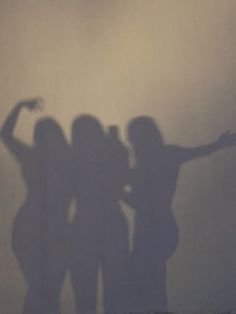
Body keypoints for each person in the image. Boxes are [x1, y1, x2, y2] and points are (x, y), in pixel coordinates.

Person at [123, 116, 236, 312]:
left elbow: (141, 202)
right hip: (163, 228)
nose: (132, 143)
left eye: (133, 138)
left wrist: (118, 191)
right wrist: (220, 144)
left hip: (152, 230)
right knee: (153, 279)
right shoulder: (167, 155)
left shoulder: (147, 165)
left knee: (146, 281)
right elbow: (198, 152)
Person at [1, 99, 72, 314]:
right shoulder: (34, 157)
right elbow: (4, 135)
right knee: (42, 291)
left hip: (53, 232)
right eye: (42, 135)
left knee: (46, 292)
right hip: (31, 230)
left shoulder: (70, 162)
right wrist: (19, 106)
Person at [69, 115, 129, 314]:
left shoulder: (75, 158)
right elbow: (120, 182)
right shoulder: (110, 153)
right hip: (105, 224)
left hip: (87, 225)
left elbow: (119, 181)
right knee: (110, 291)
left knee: (92, 293)